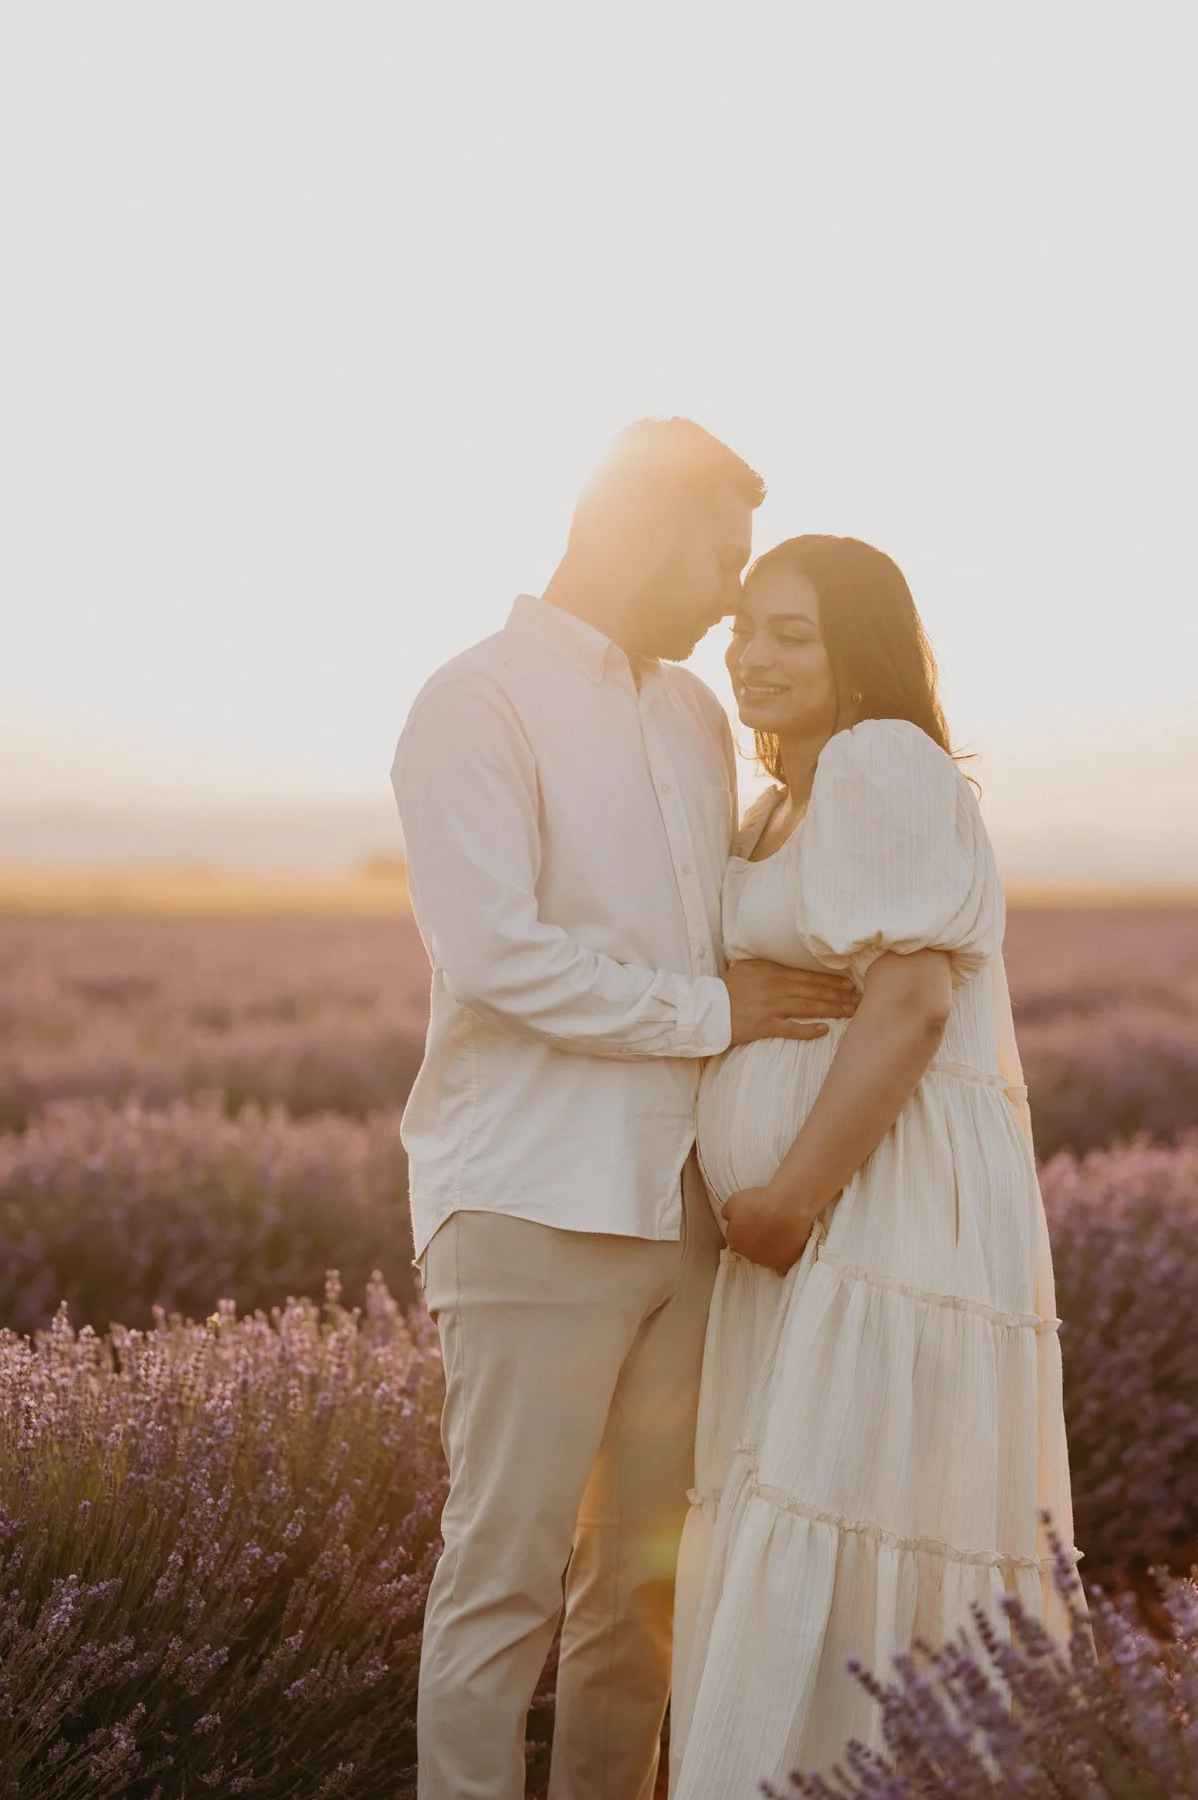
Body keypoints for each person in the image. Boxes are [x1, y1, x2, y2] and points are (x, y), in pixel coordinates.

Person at [391, 422, 859, 1800]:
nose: (731, 598)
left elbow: (724, 921)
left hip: (688, 1211)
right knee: (503, 1582)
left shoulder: (695, 716)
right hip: (532, 1201)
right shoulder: (474, 703)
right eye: (720, 558)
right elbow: (498, 957)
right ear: (642, 530)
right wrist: (713, 1014)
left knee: (643, 1591)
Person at [669, 535, 1077, 1796]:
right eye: (745, 629)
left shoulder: (877, 759)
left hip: (867, 1213)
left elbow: (911, 1004)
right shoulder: (777, 801)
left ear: (860, 654)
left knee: (852, 1526)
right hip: (802, 1235)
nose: (754, 655)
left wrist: (791, 1196)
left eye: (792, 633)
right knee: (803, 1527)